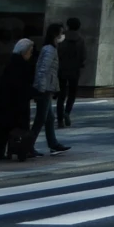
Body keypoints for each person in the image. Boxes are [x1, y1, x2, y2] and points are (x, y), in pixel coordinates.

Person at [0, 38, 36, 161]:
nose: (30, 54)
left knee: (1, 130)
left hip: (4, 102)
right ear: (24, 52)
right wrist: (33, 93)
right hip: (13, 103)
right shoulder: (21, 66)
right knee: (11, 129)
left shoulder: (12, 63)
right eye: (30, 51)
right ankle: (17, 151)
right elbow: (21, 85)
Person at [31, 23, 70, 154]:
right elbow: (43, 69)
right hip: (45, 87)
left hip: (48, 86)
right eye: (61, 33)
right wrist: (40, 88)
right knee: (41, 118)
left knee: (49, 118)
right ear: (55, 34)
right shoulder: (49, 49)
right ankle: (29, 145)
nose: (62, 35)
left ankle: (53, 143)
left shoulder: (50, 48)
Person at [56, 16, 86, 127]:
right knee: (72, 93)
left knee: (61, 95)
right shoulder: (81, 39)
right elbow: (83, 56)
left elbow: (57, 52)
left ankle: (59, 120)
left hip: (62, 69)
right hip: (75, 70)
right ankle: (67, 112)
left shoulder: (62, 38)